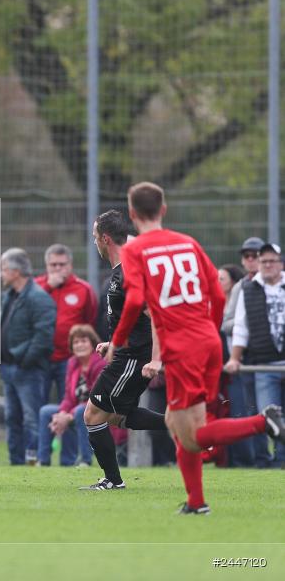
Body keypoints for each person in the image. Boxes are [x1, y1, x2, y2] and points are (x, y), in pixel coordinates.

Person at [108, 183, 285, 514]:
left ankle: (265, 422)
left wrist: (118, 340)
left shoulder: (135, 251)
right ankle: (196, 502)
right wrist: (210, 330)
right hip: (208, 340)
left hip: (182, 348)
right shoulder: (188, 242)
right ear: (164, 209)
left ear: (132, 215)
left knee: (192, 435)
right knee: (178, 423)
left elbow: (133, 300)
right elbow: (218, 295)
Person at [80, 209, 166, 491]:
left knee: (93, 415)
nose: (94, 244)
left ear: (106, 239)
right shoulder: (121, 271)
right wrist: (113, 341)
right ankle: (183, 426)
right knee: (118, 416)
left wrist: (155, 359)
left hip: (134, 358)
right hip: (125, 353)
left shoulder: (130, 270)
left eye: (95, 238)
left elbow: (155, 315)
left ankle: (113, 481)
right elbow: (132, 317)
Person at [224, 242, 285, 468]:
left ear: (281, 264)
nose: (268, 265)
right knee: (268, 416)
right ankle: (270, 461)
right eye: (264, 261)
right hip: (263, 363)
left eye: (272, 261)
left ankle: (281, 461)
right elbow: (240, 327)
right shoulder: (247, 288)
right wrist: (234, 358)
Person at [0, 248, 56, 465]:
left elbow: (43, 337)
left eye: (3, 268)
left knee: (32, 419)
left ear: (15, 271)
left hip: (27, 370)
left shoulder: (39, 298)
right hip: (9, 369)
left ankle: (36, 462)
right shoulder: (9, 297)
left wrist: (24, 361)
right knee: (12, 419)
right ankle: (16, 463)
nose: (0, 274)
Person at [221, 238, 266, 466]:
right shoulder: (241, 287)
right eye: (246, 256)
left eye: (255, 255)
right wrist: (248, 326)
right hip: (247, 358)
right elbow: (228, 322)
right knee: (253, 412)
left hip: (272, 356)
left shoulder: (277, 283)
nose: (250, 260)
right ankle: (260, 460)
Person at [35, 244, 98, 403]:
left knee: (70, 403)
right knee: (37, 407)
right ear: (46, 265)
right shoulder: (36, 287)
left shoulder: (83, 289)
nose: (57, 268)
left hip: (71, 359)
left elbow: (90, 322)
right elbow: (26, 311)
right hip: (40, 358)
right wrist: (49, 286)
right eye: (53, 265)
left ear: (70, 265)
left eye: (62, 264)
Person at [37, 324, 105, 466]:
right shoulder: (72, 363)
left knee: (81, 411)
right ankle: (43, 460)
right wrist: (61, 413)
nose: (80, 345)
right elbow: (68, 396)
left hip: (99, 409)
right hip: (76, 409)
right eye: (76, 342)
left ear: (92, 343)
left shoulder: (99, 364)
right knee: (46, 411)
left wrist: (68, 416)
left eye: (84, 341)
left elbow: (95, 398)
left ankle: (85, 460)